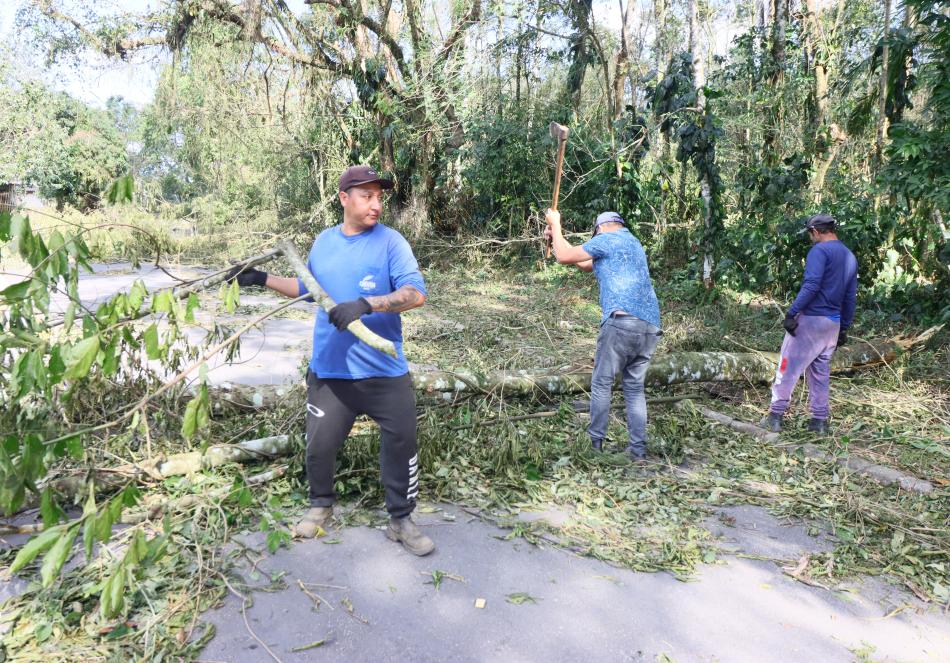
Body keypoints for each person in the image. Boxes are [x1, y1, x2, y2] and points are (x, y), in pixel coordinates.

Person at [229, 165, 434, 556]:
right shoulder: (323, 242)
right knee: (319, 446)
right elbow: (309, 291)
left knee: (402, 444)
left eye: (379, 196)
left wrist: (365, 304)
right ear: (344, 198)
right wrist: (260, 279)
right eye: (366, 196)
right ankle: (320, 504)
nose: (376, 204)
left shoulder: (392, 243)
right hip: (330, 373)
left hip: (384, 373)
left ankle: (401, 520)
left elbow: (415, 294)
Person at [544, 209, 662, 459]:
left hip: (622, 324)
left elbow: (564, 257)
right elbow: (584, 263)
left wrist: (556, 223)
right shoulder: (632, 242)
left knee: (601, 383)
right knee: (634, 388)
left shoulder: (606, 239)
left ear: (599, 228)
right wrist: (556, 236)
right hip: (650, 327)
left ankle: (595, 446)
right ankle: (638, 451)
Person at [760, 213, 858, 434]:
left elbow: (812, 285)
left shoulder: (819, 251)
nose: (810, 238)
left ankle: (775, 417)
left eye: (809, 234)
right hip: (832, 325)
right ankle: (819, 422)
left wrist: (792, 312)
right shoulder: (849, 256)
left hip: (811, 321)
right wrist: (844, 327)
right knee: (820, 373)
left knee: (787, 367)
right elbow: (850, 297)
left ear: (815, 231)